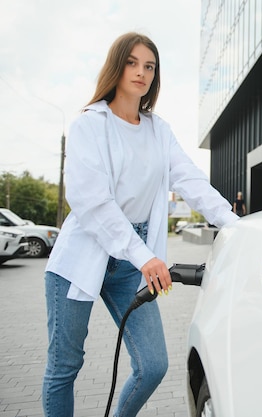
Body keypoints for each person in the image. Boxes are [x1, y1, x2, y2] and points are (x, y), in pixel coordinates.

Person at [41, 32, 239, 417]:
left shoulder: (157, 130)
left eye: (149, 66)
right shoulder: (89, 126)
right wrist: (143, 254)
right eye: (132, 62)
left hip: (133, 263)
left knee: (153, 365)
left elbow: (191, 180)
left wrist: (233, 225)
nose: (141, 72)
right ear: (116, 66)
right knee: (65, 367)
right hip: (82, 258)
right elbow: (91, 201)